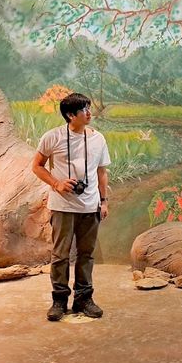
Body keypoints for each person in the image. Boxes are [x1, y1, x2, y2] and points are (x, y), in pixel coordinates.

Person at [32, 93, 111, 321]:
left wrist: (104, 201)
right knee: (60, 255)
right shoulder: (53, 137)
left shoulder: (98, 139)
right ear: (70, 115)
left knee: (86, 255)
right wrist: (56, 183)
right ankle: (59, 300)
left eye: (88, 108)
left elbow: (102, 172)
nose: (89, 113)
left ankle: (84, 299)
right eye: (84, 109)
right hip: (62, 206)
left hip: (90, 206)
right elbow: (37, 166)